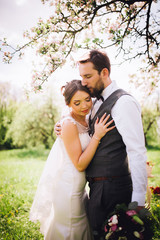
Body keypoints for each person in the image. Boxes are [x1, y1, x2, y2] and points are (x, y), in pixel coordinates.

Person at [55, 50, 148, 239]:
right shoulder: (94, 101)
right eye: (82, 77)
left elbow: (137, 151)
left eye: (88, 76)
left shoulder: (124, 103)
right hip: (96, 190)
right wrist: (62, 125)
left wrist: (138, 199)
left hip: (114, 189)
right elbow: (77, 122)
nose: (83, 83)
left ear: (104, 73)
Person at [29, 80, 115, 240]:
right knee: (71, 228)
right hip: (68, 188)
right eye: (77, 103)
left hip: (79, 186)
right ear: (68, 104)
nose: (84, 106)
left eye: (87, 99)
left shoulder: (87, 116)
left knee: (80, 225)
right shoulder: (68, 124)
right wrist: (97, 135)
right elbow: (80, 164)